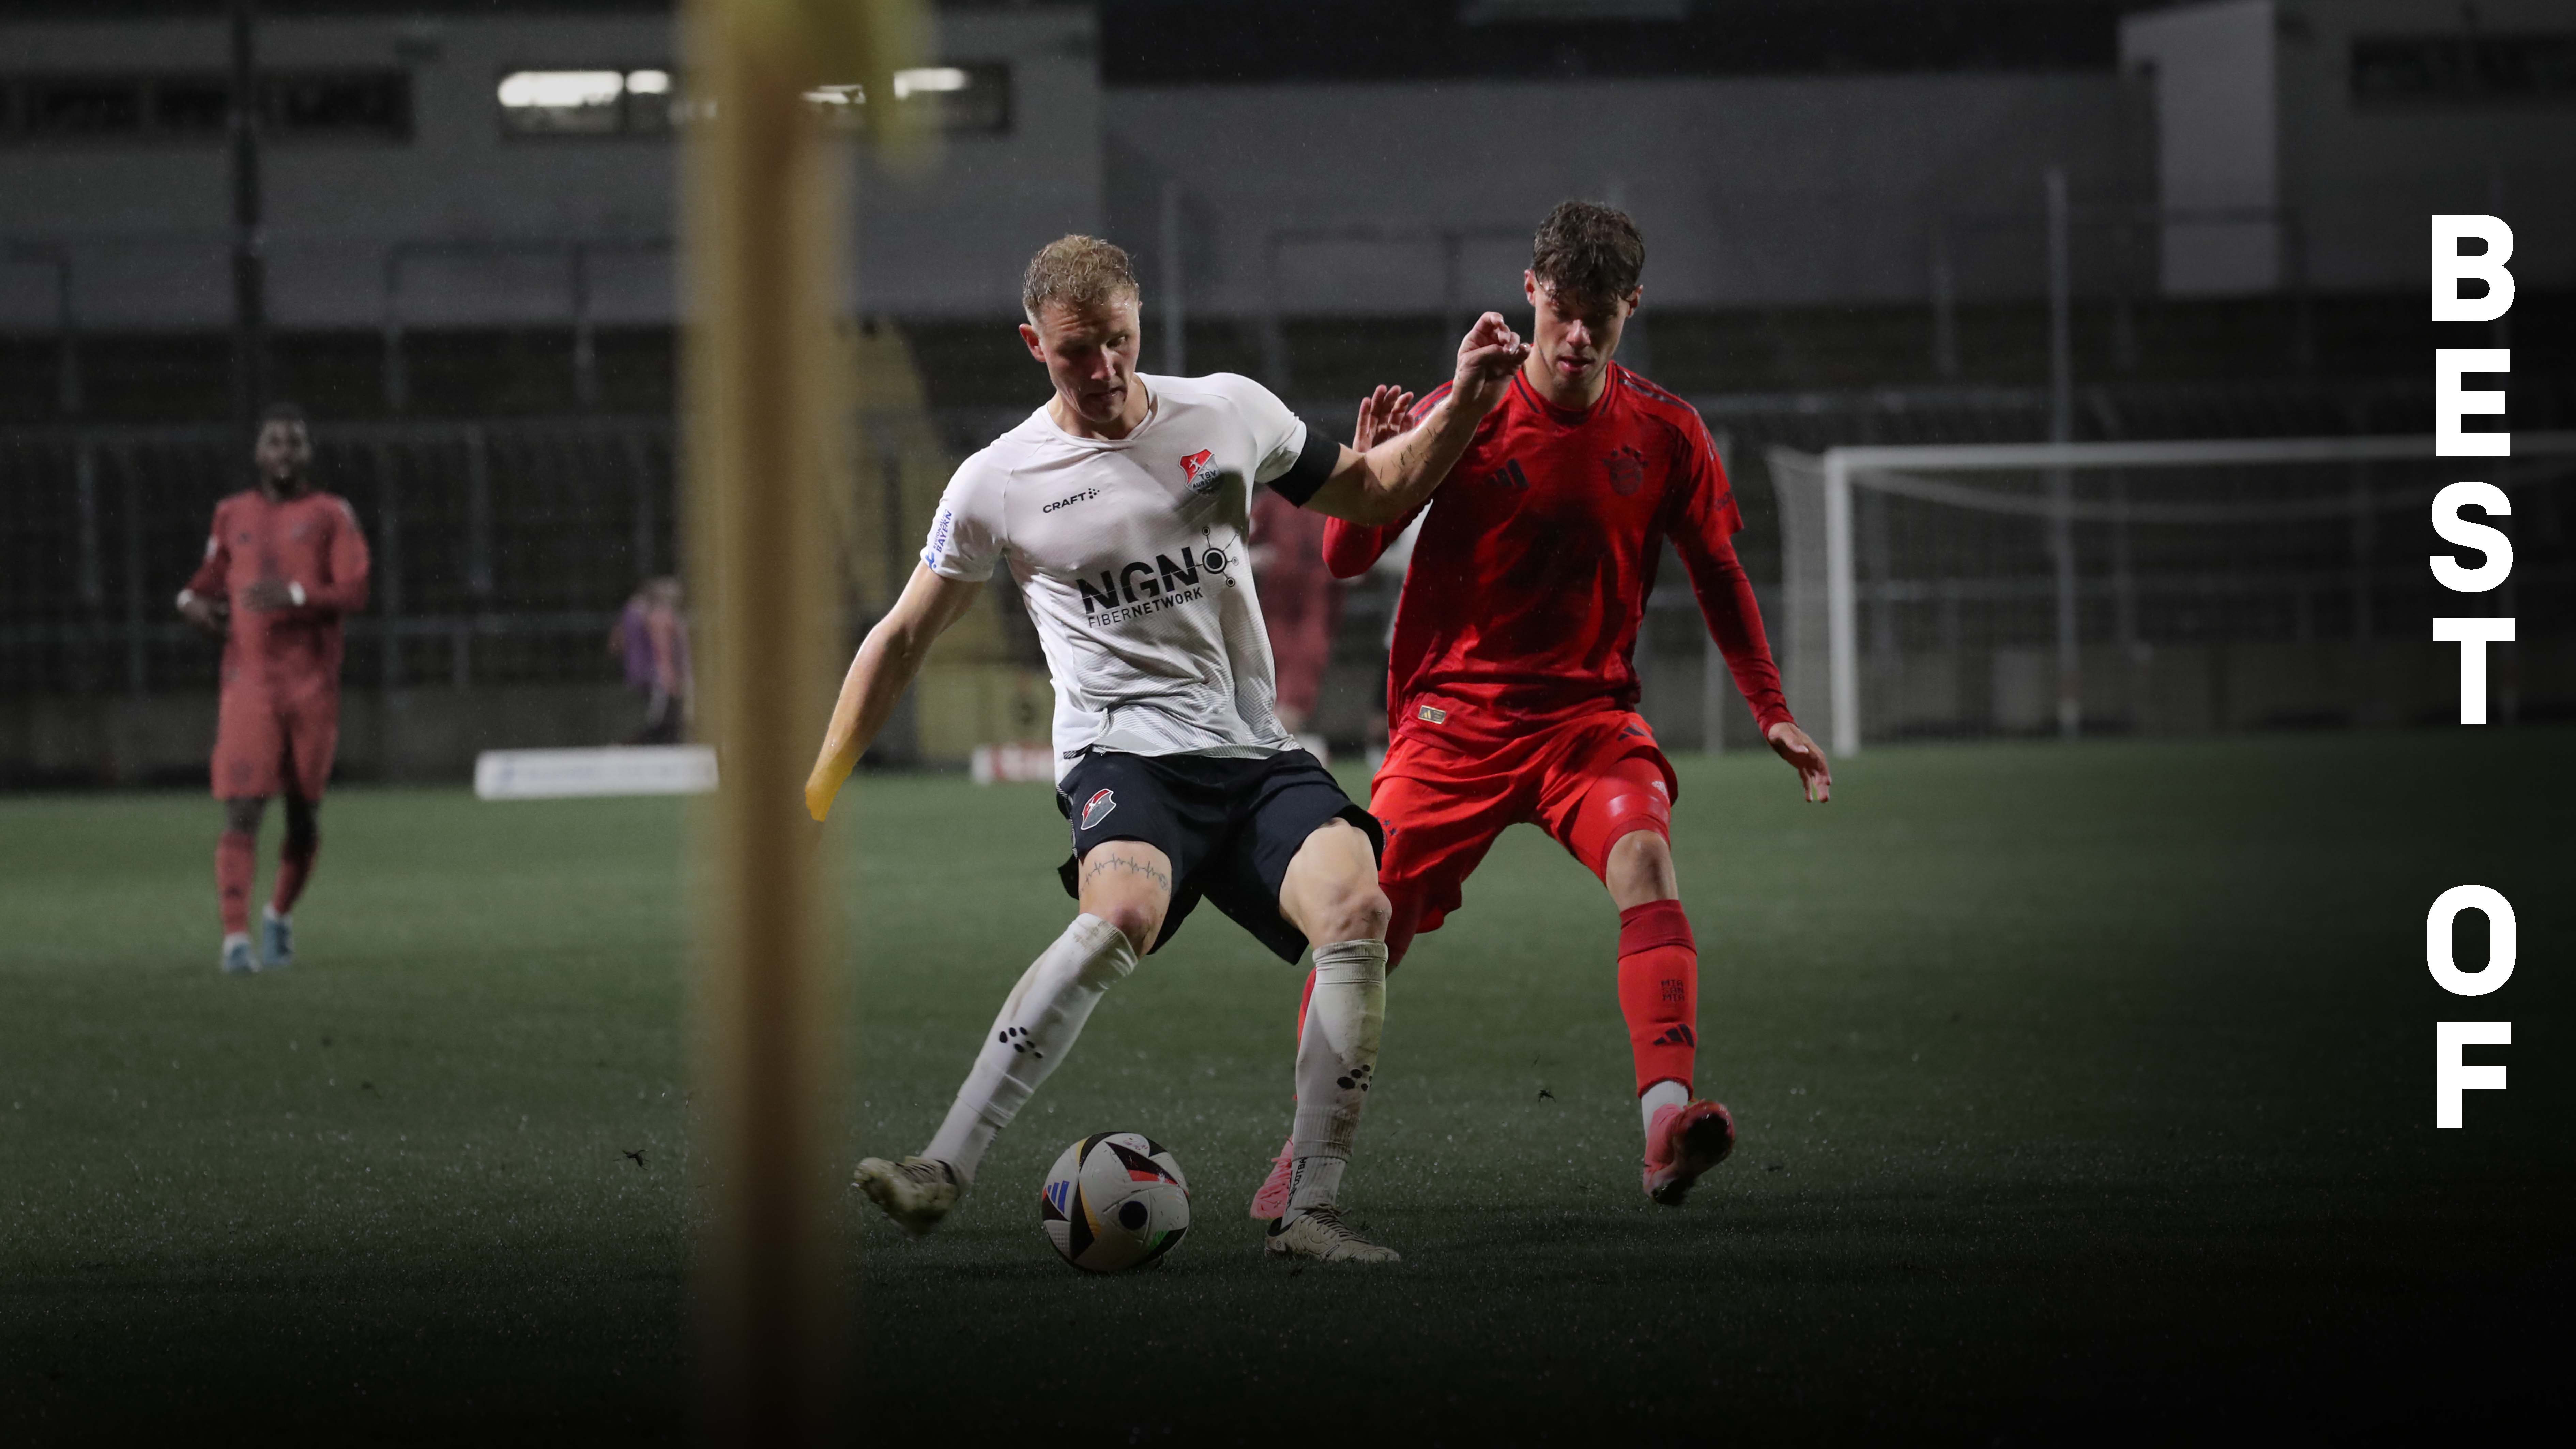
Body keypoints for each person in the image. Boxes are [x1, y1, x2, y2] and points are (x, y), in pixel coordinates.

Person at [805, 235, 1527, 1263]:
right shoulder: (996, 480)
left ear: (1140, 323)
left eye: (1116, 343)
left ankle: (1307, 1210)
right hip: (1122, 756)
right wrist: (819, 784)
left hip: (1249, 748)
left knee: (1360, 909)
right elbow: (903, 636)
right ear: (1031, 344)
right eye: (1072, 353)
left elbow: (1370, 490)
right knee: (1124, 914)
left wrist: (1463, 400)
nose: (1099, 370)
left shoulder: (1227, 409)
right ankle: (941, 1166)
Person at [1246, 202, 1833, 1218]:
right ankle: (1302, 1158)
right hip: (1448, 724)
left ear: (1629, 311)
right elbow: (1346, 557)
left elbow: (1720, 572)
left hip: (1584, 723)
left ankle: (1664, 1123)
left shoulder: (1666, 432)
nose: (1573, 338)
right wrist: (1371, 462)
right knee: (1358, 915)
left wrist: (1769, 708)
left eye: (1596, 318)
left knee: (1646, 859)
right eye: (1559, 311)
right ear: (1528, 292)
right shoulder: (1463, 406)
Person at [176, 402, 371, 975]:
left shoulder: (331, 514)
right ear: (258, 453)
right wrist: (188, 605)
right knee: (241, 809)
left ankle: (279, 915)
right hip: (249, 684)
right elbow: (206, 581)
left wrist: (298, 596)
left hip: (312, 685)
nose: (283, 452)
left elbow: (356, 591)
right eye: (274, 443)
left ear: (308, 453)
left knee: (303, 816)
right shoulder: (230, 513)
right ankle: (235, 941)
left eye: (294, 443)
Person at [1247, 484, 1340, 740]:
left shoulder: (1332, 502)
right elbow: (1233, 546)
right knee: (1271, 699)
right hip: (1274, 616)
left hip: (1313, 614)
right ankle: (1289, 751)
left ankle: (1278, 751)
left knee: (1292, 703)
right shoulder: (1272, 502)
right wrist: (1255, 558)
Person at [611, 576, 691, 744]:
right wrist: (668, 673)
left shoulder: (634, 613)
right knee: (659, 717)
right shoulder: (658, 617)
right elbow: (664, 651)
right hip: (655, 674)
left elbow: (617, 643)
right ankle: (635, 745)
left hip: (642, 671)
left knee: (660, 715)